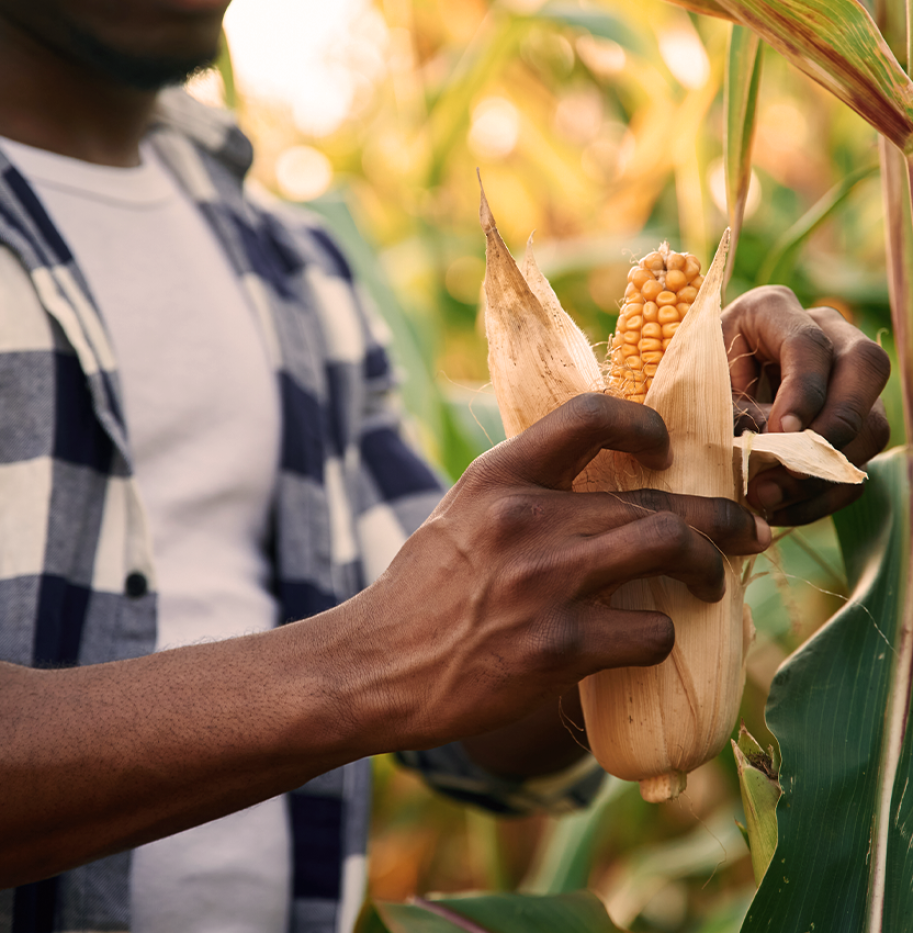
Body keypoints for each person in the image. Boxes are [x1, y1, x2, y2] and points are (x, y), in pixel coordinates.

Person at [0, 0, 890, 931]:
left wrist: (686, 472)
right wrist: (371, 661)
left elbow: (468, 703)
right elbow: (402, 650)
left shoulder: (293, 264)